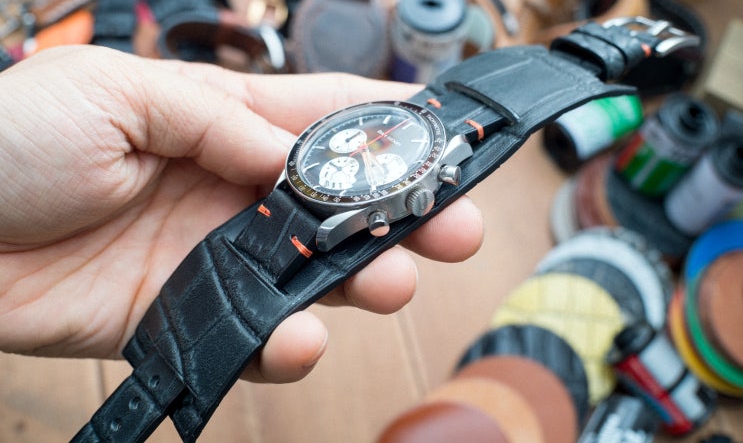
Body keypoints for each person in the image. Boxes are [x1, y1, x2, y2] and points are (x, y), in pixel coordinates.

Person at [0, 45, 484, 384]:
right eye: (358, 143)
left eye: (368, 146)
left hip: (320, 199)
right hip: (300, 190)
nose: (362, 147)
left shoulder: (406, 159)